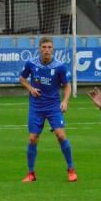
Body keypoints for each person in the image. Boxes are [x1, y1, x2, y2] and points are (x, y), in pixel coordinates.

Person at [19, 37, 77, 182]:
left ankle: (71, 170)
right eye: (44, 47)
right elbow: (22, 78)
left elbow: (67, 85)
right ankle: (31, 173)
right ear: (39, 48)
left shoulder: (60, 66)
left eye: (49, 47)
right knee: (33, 138)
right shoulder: (31, 63)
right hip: (36, 106)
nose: (47, 50)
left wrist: (65, 101)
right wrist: (30, 88)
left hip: (53, 107)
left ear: (53, 49)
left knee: (61, 136)